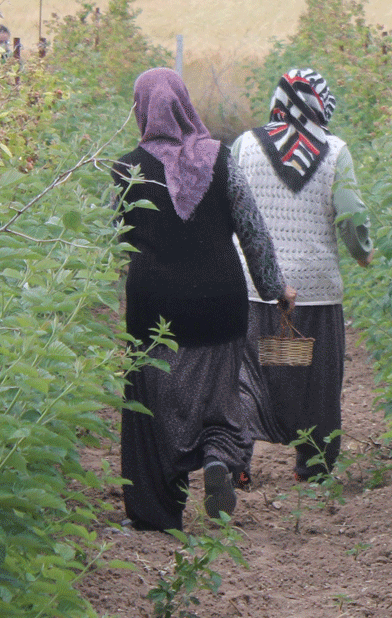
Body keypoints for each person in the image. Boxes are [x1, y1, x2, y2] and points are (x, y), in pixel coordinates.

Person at [111, 67, 296, 532]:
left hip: (154, 308)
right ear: (184, 105)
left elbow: (112, 245)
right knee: (220, 398)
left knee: (157, 404)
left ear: (141, 110)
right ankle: (217, 456)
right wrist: (275, 289)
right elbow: (252, 230)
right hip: (220, 303)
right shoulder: (219, 159)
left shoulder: (125, 170)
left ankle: (159, 508)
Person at [232, 68, 373, 482]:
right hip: (315, 291)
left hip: (255, 287)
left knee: (249, 375)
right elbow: (350, 213)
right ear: (320, 105)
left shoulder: (244, 145)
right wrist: (361, 252)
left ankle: (236, 463)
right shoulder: (336, 152)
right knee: (316, 381)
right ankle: (312, 468)